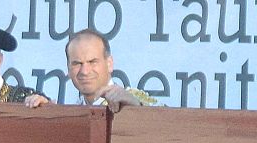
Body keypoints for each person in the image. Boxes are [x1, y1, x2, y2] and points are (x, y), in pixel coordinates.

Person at [24, 29, 157, 111]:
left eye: (92, 62)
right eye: (77, 63)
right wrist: (46, 113)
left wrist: (136, 109)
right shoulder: (72, 110)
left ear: (109, 63)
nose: (85, 71)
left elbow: (167, 128)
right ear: (68, 69)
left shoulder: (132, 100)